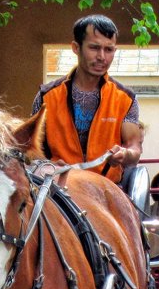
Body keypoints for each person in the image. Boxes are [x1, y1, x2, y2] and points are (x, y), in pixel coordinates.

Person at [31, 14, 142, 184]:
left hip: (108, 191)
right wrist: (47, 165)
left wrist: (125, 154)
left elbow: (134, 148)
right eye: (94, 48)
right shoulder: (47, 96)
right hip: (58, 188)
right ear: (76, 47)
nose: (102, 57)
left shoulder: (125, 99)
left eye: (109, 49)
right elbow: (31, 150)